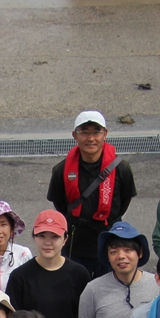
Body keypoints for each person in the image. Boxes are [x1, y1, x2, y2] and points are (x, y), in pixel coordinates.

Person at [47, 110, 137, 278]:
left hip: (110, 242)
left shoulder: (121, 168)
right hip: (75, 244)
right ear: (75, 135)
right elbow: (59, 204)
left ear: (105, 134)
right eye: (84, 132)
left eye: (96, 132)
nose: (90, 138)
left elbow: (124, 202)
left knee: (110, 289)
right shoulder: (61, 170)